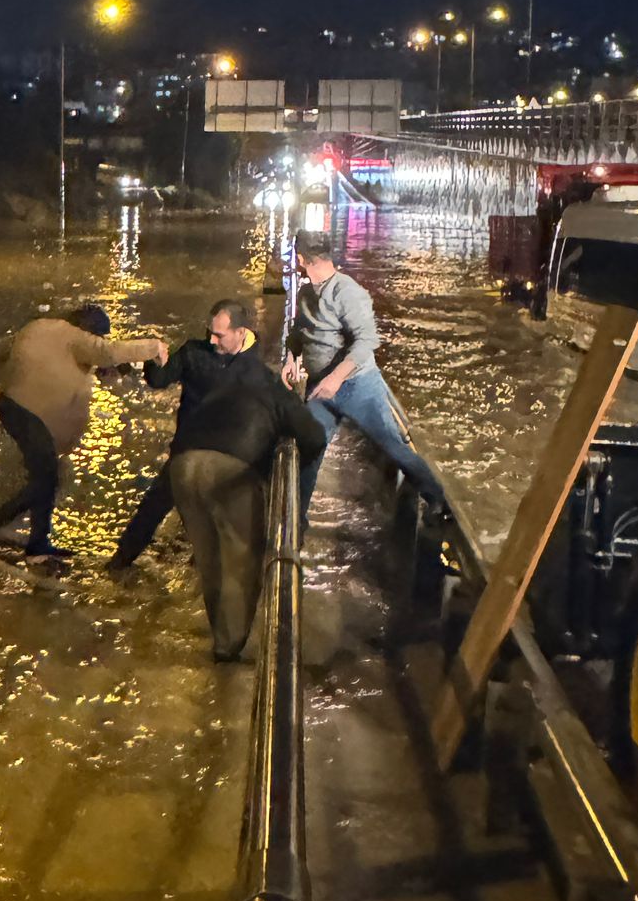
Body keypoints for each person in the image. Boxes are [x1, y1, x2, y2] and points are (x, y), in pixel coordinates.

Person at [0, 304, 165, 564]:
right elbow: (107, 352)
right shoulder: (74, 337)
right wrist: (154, 347)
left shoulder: (43, 327)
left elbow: (3, 357)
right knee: (46, 479)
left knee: (47, 476)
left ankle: (36, 543)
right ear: (88, 331)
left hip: (14, 405)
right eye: (96, 336)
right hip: (28, 413)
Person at [284, 229, 449, 521]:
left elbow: (367, 341)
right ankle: (296, 522)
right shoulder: (308, 292)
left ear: (300, 258)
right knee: (309, 448)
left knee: (392, 445)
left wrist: (336, 378)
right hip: (321, 391)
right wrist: (290, 357)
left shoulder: (347, 292)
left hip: (357, 387)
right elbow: (299, 332)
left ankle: (437, 498)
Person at [168, 357, 327, 658]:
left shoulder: (223, 387)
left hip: (183, 466)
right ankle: (228, 649)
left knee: (208, 559)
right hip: (231, 472)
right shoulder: (277, 393)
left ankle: (220, 633)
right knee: (239, 564)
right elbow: (315, 437)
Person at [108, 297, 262, 569]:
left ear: (241, 333)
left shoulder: (254, 366)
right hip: (189, 452)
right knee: (154, 508)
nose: (212, 341)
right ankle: (120, 564)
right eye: (210, 332)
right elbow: (159, 380)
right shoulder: (194, 352)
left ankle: (199, 571)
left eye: (219, 335)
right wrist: (155, 359)